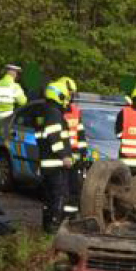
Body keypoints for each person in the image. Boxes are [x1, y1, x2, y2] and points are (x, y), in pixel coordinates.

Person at [39, 80, 73, 233]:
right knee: (59, 195)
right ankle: (54, 227)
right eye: (65, 96)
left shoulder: (45, 111)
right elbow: (55, 137)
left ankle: (47, 226)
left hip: (47, 162)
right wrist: (64, 156)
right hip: (55, 162)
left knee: (49, 197)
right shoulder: (53, 113)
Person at [59, 76, 86, 217]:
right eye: (70, 93)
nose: (71, 97)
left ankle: (71, 218)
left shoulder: (76, 111)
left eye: (72, 94)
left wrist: (83, 153)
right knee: (61, 189)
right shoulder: (56, 111)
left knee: (74, 189)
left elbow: (80, 134)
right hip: (60, 156)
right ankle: (59, 217)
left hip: (74, 156)